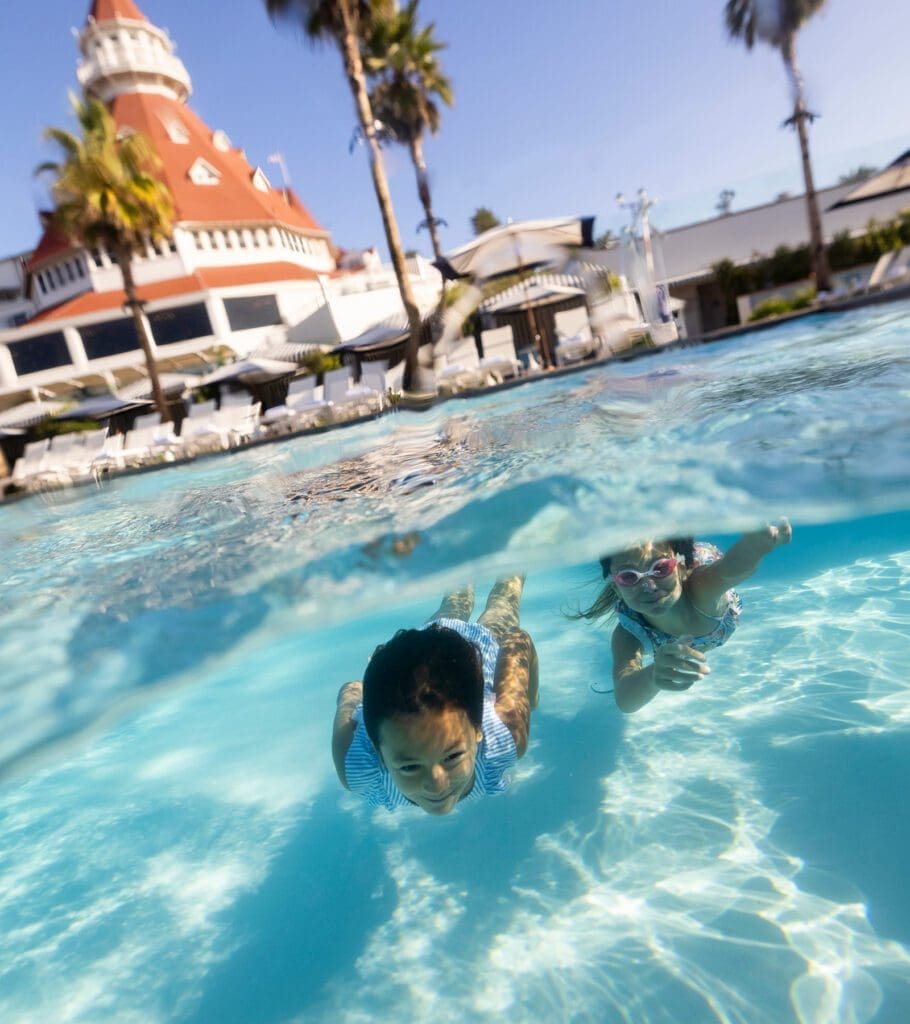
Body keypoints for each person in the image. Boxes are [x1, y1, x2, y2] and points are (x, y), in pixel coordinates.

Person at [331, 576, 538, 815]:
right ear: (378, 752)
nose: (437, 784)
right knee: (455, 605)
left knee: (503, 602)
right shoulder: (359, 769)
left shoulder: (505, 731)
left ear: (478, 730)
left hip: (478, 647)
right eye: (409, 767)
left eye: (452, 756)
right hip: (423, 653)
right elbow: (351, 689)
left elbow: (517, 640)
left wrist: (530, 702)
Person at [573, 519, 792, 714]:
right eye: (629, 577)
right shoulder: (629, 632)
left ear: (678, 568)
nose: (649, 586)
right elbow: (625, 700)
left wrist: (755, 545)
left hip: (700, 567)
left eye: (660, 569)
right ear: (617, 588)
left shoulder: (700, 588)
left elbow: (730, 570)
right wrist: (653, 675)